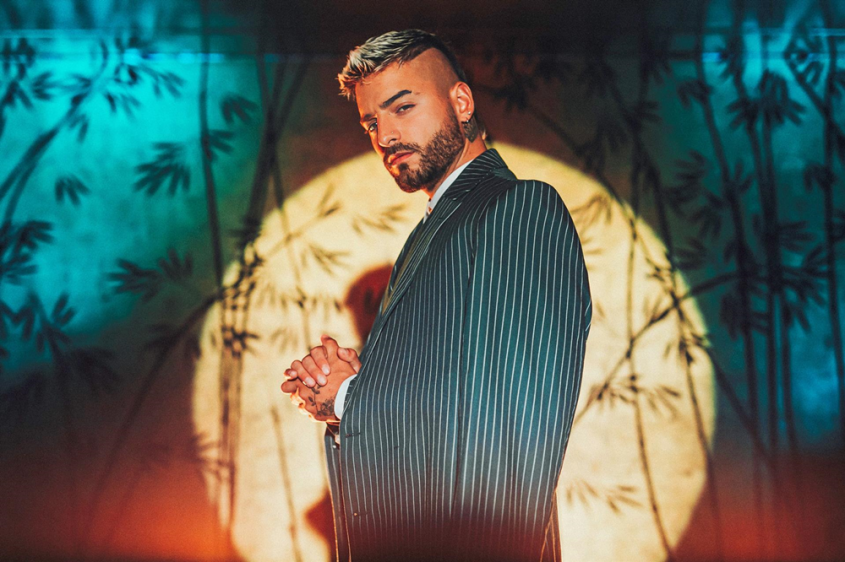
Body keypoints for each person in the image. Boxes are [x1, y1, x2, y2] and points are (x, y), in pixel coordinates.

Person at [280, 29, 591, 562]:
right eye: (371, 123)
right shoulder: (431, 235)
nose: (385, 135)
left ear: (461, 102)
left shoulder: (518, 207)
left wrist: (350, 398)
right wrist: (351, 393)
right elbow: (445, 406)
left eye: (403, 107)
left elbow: (507, 424)